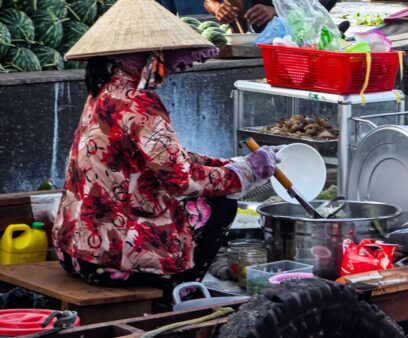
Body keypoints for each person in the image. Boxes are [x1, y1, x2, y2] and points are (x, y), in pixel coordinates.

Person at [53, 0, 278, 295]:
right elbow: (180, 179)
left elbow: (164, 158)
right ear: (148, 57)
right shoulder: (139, 102)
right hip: (113, 260)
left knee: (210, 194)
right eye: (162, 57)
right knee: (221, 203)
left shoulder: (105, 92)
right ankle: (179, 288)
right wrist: (244, 174)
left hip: (74, 251)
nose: (168, 68)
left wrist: (228, 163)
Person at [204, 0, 338, 33]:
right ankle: (238, 40)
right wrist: (218, 8)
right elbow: (209, 1)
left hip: (303, 30)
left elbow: (321, 6)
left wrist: (277, 10)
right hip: (260, 31)